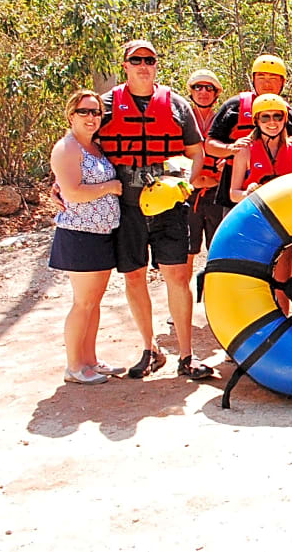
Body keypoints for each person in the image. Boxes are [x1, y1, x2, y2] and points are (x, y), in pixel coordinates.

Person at [95, 40, 214, 379]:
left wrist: (186, 184)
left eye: (149, 60)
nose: (144, 66)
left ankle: (187, 356)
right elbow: (80, 144)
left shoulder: (176, 104)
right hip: (126, 205)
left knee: (177, 275)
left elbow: (196, 152)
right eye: (137, 60)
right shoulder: (104, 105)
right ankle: (150, 349)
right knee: (134, 276)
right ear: (126, 65)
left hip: (167, 205)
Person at [49, 90, 124, 384]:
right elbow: (72, 192)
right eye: (84, 111)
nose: (91, 117)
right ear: (71, 116)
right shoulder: (67, 148)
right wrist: (112, 187)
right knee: (82, 303)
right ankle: (74, 367)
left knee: (94, 302)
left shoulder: (96, 147)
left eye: (96, 112)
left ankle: (90, 360)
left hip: (103, 233)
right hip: (80, 235)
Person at [229, 94, 292, 311]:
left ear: (284, 119)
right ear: (256, 121)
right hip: (257, 223)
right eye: (265, 117)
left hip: (286, 224)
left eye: (277, 116)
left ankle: (281, 331)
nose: (272, 122)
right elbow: (233, 193)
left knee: (282, 283)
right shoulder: (245, 150)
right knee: (256, 282)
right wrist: (248, 193)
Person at [206, 55, 292, 207]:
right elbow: (209, 144)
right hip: (236, 192)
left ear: (282, 82)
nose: (267, 83)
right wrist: (231, 150)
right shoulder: (234, 107)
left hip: (282, 201)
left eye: (273, 78)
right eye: (261, 77)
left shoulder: (291, 116)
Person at [184, 69, 224, 279]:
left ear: (216, 94)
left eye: (209, 88)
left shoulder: (223, 120)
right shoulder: (182, 117)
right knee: (186, 254)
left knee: (216, 251)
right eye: (198, 87)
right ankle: (182, 309)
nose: (203, 92)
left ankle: (213, 305)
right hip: (187, 195)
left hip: (215, 194)